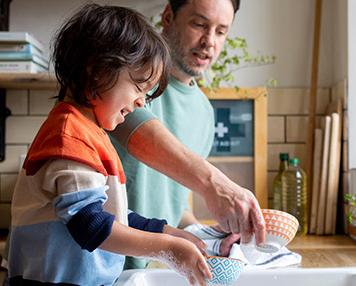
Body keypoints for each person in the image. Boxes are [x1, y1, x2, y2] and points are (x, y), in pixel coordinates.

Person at [3, 4, 211, 286]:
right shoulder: (69, 138)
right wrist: (167, 248)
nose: (142, 102)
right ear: (97, 71)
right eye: (139, 86)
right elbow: (91, 225)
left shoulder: (90, 134)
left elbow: (110, 214)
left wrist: (167, 232)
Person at [109, 0, 265, 270]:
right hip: (84, 271)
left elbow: (171, 203)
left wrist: (207, 236)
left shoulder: (204, 112)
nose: (209, 42)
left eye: (220, 31)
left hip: (139, 272)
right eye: (199, 24)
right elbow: (140, 135)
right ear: (168, 17)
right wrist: (214, 184)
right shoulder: (125, 75)